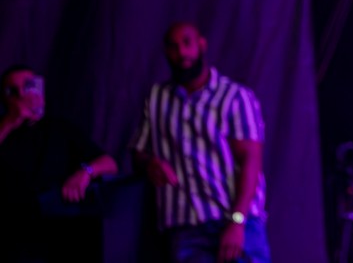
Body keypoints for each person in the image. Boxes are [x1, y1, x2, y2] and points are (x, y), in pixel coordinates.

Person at [132, 23, 271, 263]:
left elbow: (251, 160)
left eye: (187, 43)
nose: (182, 53)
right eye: (174, 46)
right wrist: (149, 163)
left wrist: (237, 221)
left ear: (201, 45)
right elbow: (138, 152)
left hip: (234, 221)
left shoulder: (235, 97)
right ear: (166, 52)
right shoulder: (157, 98)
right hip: (185, 229)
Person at [0, 64, 118, 262]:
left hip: (57, 231)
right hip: (11, 233)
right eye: (13, 91)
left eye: (27, 87)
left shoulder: (59, 128)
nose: (21, 95)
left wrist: (85, 172)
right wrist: (11, 121)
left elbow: (109, 163)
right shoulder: (4, 130)